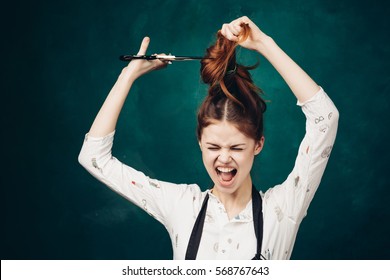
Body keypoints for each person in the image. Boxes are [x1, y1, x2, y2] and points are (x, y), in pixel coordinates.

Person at [78, 16, 338, 260]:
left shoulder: (283, 209)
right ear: (199, 142)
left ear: (258, 144)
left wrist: (264, 44)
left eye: (236, 147)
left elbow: (325, 118)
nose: (224, 158)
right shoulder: (181, 206)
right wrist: (128, 76)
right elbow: (93, 158)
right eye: (213, 146)